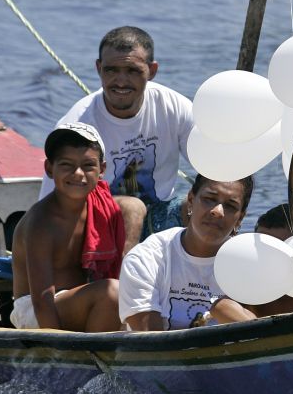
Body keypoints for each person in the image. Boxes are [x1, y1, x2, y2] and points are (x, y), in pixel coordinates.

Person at [39, 26, 193, 248]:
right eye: (111, 70)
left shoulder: (174, 107)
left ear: (152, 70)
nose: (121, 81)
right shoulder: (78, 123)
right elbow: (51, 204)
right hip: (99, 224)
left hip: (159, 216)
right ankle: (124, 280)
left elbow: (215, 168)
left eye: (132, 70)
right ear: (99, 68)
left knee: (203, 203)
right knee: (132, 207)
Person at [11, 122, 124, 332]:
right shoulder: (41, 222)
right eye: (66, 165)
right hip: (36, 311)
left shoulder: (99, 209)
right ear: (49, 169)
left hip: (76, 301)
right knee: (112, 293)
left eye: (88, 165)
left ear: (102, 170)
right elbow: (42, 301)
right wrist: (58, 353)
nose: (78, 173)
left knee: (125, 296)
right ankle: (93, 359)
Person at [119, 175, 257, 331]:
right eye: (209, 199)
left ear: (240, 219)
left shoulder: (249, 264)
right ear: (191, 200)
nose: (218, 211)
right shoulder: (146, 258)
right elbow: (152, 344)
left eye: (231, 206)